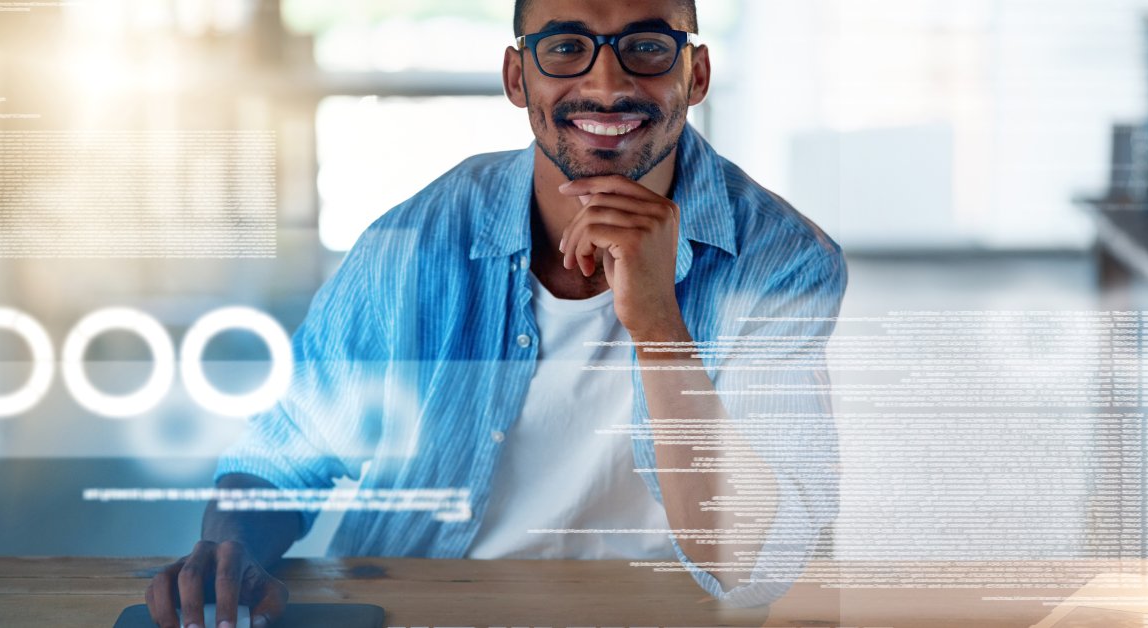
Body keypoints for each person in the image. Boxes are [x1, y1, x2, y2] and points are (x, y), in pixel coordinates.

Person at [145, 0, 846, 625]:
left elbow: (751, 563)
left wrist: (659, 325)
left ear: (695, 75)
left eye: (648, 46)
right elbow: (284, 452)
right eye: (566, 47)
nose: (606, 84)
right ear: (518, 79)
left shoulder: (784, 261)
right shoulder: (417, 240)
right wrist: (229, 555)